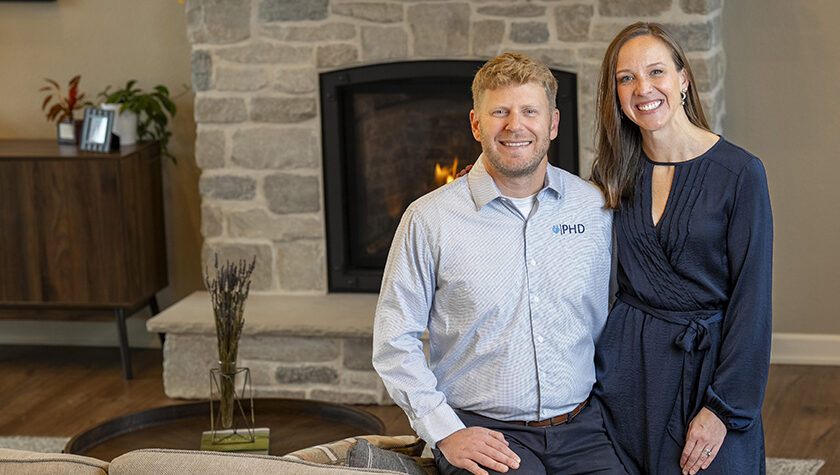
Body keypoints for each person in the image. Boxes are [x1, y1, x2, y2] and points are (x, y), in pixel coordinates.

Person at [373, 53, 625, 475]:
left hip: (584, 429)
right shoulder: (428, 219)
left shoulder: (595, 208)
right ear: (475, 123)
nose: (515, 125)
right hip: (483, 431)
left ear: (553, 123)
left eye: (530, 111)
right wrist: (444, 431)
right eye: (500, 112)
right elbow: (393, 341)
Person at [590, 22, 773, 475]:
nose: (642, 88)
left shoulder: (740, 173)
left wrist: (722, 409)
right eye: (626, 78)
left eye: (656, 72)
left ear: (683, 79)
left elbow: (753, 303)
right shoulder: (612, 172)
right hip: (627, 371)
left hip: (710, 373)